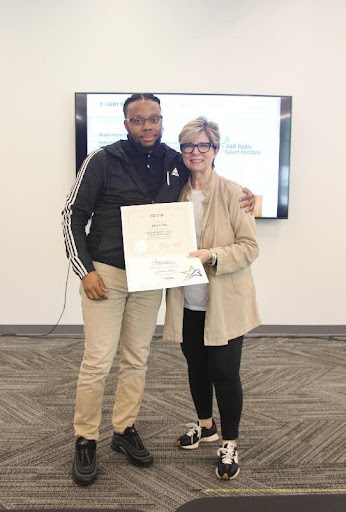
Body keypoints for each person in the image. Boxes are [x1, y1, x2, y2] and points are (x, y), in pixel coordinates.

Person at [62, 93, 255, 486]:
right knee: (98, 360)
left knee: (137, 358)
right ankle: (85, 439)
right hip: (106, 274)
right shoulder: (102, 160)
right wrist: (84, 271)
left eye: (153, 119)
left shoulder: (173, 161)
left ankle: (124, 429)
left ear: (161, 121)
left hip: (150, 277)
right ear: (125, 123)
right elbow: (72, 215)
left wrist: (251, 196)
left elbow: (209, 174)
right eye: (138, 120)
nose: (147, 126)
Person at [163, 117, 260, 480]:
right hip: (188, 299)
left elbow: (249, 248)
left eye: (203, 145)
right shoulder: (174, 193)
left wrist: (212, 254)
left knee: (224, 371)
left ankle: (230, 442)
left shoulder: (235, 193)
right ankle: (206, 426)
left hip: (225, 302)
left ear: (215, 151)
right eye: (188, 145)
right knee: (195, 366)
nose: (195, 152)